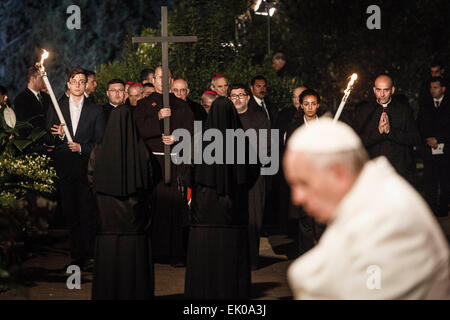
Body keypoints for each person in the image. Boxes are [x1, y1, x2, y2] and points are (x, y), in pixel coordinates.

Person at [284, 118, 450, 299]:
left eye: (303, 183)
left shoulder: (389, 218)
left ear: (337, 173)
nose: (297, 197)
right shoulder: (368, 196)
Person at [185, 97, 257, 299]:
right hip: (233, 209)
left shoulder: (200, 141)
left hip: (205, 211)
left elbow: (190, 173)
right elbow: (253, 172)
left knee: (205, 255)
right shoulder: (242, 141)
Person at [89, 105, 154, 300]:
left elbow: (91, 179)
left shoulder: (98, 151)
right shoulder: (142, 150)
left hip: (106, 220)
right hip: (134, 221)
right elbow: (149, 181)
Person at [46, 67, 106, 271]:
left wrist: (82, 147)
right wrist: (60, 135)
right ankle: (76, 255)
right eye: (75, 81)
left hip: (87, 168)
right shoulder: (57, 108)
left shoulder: (96, 110)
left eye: (82, 81)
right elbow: (49, 137)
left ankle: (89, 254)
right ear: (68, 85)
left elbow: (100, 142)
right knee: (71, 213)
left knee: (87, 212)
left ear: (86, 84)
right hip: (66, 169)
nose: (78, 85)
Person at [134, 66, 194, 267]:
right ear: (154, 79)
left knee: (175, 211)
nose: (162, 80)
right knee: (152, 209)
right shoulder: (143, 104)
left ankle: (175, 253)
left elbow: (191, 132)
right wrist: (157, 118)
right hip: (153, 165)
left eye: (166, 77)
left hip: (175, 163)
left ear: (171, 80)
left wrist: (177, 137)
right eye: (158, 77)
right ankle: (153, 252)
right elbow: (138, 130)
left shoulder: (181, 105)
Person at [229, 84, 269, 270]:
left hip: (254, 177)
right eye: (233, 96)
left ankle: (251, 260)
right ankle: (234, 259)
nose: (237, 99)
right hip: (231, 177)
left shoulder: (259, 118)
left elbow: (265, 147)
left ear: (247, 98)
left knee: (253, 219)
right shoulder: (226, 118)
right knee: (233, 218)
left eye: (240, 95)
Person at [353, 75, 420, 182]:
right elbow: (357, 141)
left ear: (392, 90)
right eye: (378, 90)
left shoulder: (404, 110)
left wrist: (390, 132)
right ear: (374, 90)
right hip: (372, 168)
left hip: (398, 169)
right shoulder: (364, 111)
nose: (382, 94)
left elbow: (414, 138)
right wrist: (378, 132)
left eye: (386, 90)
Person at [417, 77, 450, 217]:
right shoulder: (425, 106)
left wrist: (439, 139)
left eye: (436, 87)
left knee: (445, 180)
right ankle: (431, 208)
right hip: (428, 149)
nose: (432, 90)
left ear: (443, 89)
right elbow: (419, 125)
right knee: (429, 180)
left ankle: (443, 208)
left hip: (446, 149)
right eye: (431, 87)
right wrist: (428, 139)